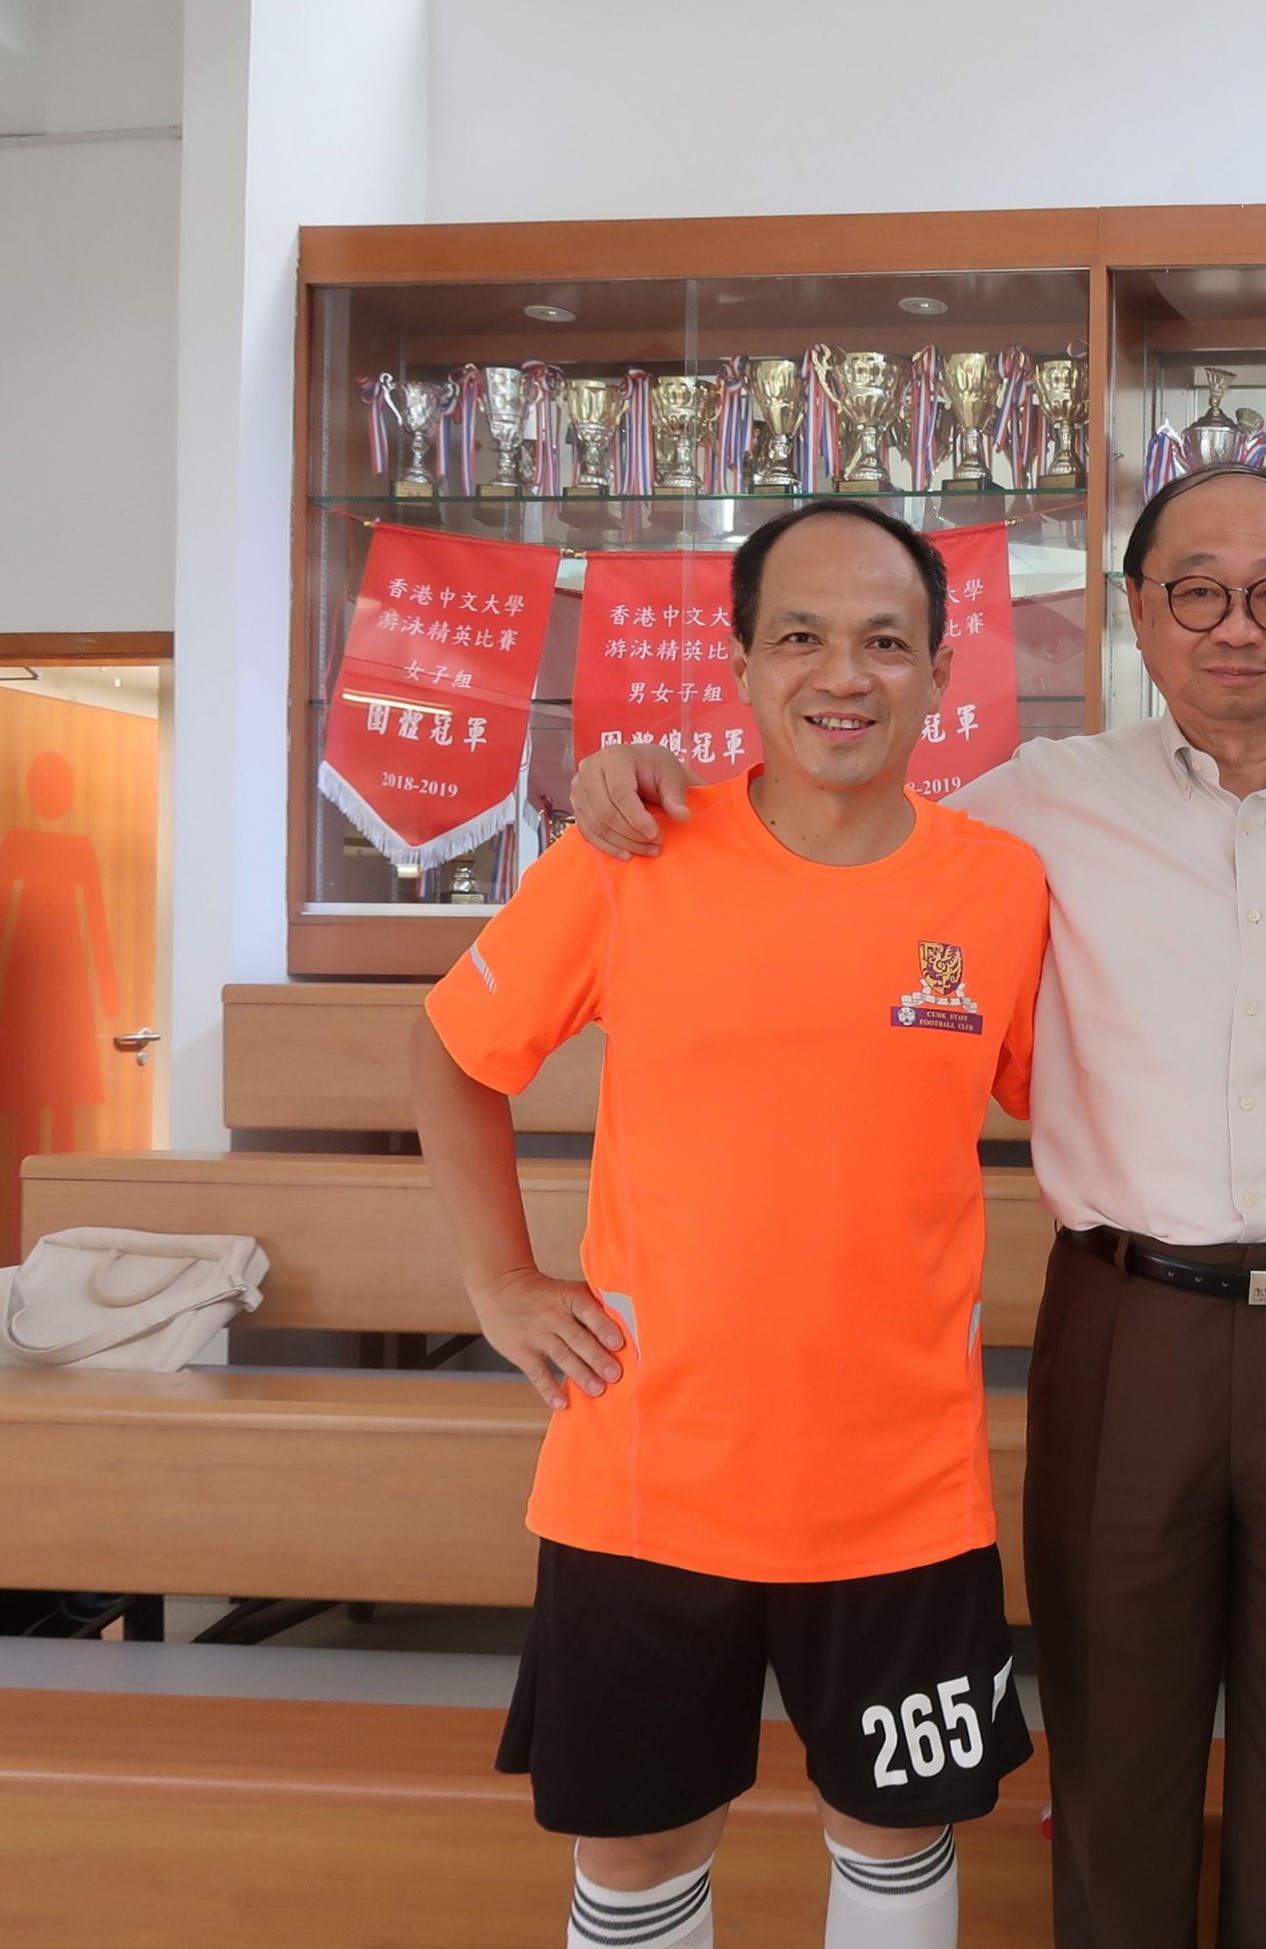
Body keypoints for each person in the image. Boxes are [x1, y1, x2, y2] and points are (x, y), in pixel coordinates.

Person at [568, 463, 1266, 1949]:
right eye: (1195, 589)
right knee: (1114, 1743)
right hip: (1132, 1322)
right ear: (1137, 612)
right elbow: (832, 814)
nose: (1235, 625)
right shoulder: (1027, 812)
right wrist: (640, 775)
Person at [413, 498, 1048, 1949]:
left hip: (901, 1486)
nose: (846, 673)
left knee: (898, 1832)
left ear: (943, 672)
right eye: (802, 637)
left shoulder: (999, 888)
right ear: (745, 667)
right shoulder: (640, 849)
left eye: (887, 639)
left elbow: (1059, 1094)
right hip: (650, 1473)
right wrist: (502, 1279)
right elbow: (451, 1052)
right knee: (637, 1851)